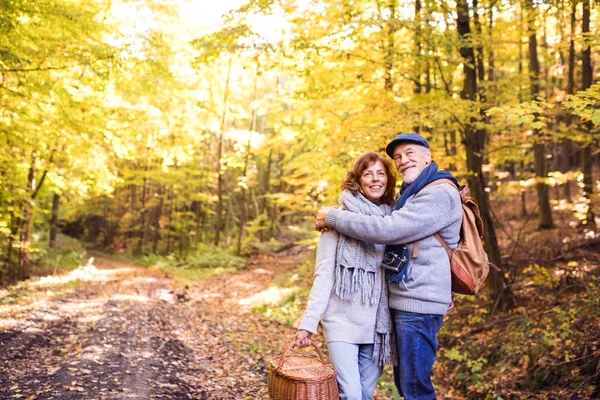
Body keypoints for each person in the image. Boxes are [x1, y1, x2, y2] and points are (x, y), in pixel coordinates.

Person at [315, 133, 463, 400]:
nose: (403, 160)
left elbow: (389, 230)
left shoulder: (438, 193)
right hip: (407, 302)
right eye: (397, 157)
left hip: (419, 304)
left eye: (410, 153)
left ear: (428, 155)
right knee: (408, 385)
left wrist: (335, 217)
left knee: (415, 389)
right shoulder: (412, 194)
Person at [292, 152, 398, 400]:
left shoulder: (394, 223)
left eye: (380, 173)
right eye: (368, 173)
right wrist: (308, 324)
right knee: (351, 394)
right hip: (342, 324)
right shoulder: (335, 223)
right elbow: (324, 276)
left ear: (388, 181)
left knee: (365, 395)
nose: (375, 179)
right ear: (358, 180)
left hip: (378, 326)